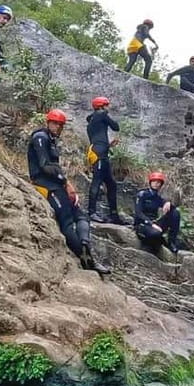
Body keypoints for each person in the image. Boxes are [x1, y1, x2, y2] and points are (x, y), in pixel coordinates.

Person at [28, 109, 111, 275]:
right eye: (55, 123)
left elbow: (55, 168)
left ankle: (85, 245)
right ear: (48, 122)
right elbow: (44, 166)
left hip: (56, 184)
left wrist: (66, 183)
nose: (57, 127)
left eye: (60, 125)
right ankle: (85, 257)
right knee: (66, 221)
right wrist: (65, 182)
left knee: (81, 215)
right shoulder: (40, 137)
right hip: (45, 185)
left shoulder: (51, 140)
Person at [86, 96, 126, 225]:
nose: (108, 108)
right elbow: (116, 127)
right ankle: (91, 212)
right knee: (97, 181)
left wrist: (109, 145)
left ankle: (113, 215)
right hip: (99, 154)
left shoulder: (92, 119)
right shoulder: (101, 114)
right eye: (106, 105)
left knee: (111, 184)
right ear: (101, 106)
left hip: (99, 152)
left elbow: (98, 139)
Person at [134, 171, 181, 255]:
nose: (156, 184)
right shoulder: (142, 194)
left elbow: (170, 208)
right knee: (156, 233)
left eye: (158, 182)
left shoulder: (157, 198)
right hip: (143, 224)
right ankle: (157, 243)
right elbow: (138, 213)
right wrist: (151, 224)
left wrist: (168, 203)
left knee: (175, 213)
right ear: (150, 182)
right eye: (154, 181)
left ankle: (171, 242)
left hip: (155, 223)